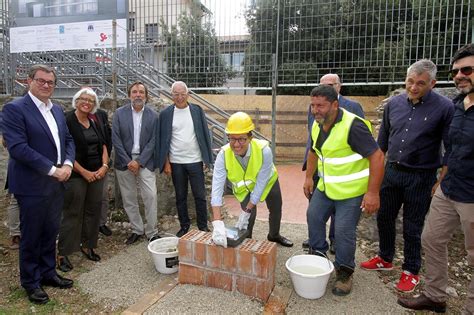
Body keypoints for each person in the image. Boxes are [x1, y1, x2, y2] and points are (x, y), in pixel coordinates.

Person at [360, 59, 454, 293]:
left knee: (413, 226)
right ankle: (385, 258)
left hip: (421, 177)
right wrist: (375, 178)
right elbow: (380, 146)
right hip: (392, 172)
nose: (413, 87)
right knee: (384, 217)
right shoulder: (394, 104)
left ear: (432, 83)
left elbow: (450, 148)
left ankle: (411, 271)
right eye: (409, 81)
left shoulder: (445, 108)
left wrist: (440, 181)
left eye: (420, 83)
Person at [398, 44, 474, 314]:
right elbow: (450, 148)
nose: (460, 75)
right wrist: (442, 178)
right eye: (456, 71)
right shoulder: (456, 105)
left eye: (468, 69)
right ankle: (435, 296)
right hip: (449, 187)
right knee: (430, 238)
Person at [2, 64, 75, 304]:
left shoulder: (56, 110)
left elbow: (68, 139)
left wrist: (67, 164)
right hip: (32, 185)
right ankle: (31, 282)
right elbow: (18, 148)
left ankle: (47, 272)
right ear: (29, 81)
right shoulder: (14, 109)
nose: (46, 85)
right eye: (41, 81)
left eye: (50, 82)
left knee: (50, 232)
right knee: (32, 235)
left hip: (56, 182)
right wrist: (54, 170)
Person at [304, 85, 384, 296]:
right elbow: (313, 150)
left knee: (343, 232)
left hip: (351, 191)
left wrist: (373, 193)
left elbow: (377, 157)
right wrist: (308, 178)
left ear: (335, 105)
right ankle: (319, 257)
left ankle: (344, 272)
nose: (315, 110)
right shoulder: (317, 123)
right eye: (313, 105)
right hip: (326, 186)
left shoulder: (353, 126)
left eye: (320, 105)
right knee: (313, 216)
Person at [302, 73, 365, 252]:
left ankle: (336, 241)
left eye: (331, 84)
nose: (316, 109)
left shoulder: (353, 108)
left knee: (341, 216)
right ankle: (317, 244)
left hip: (345, 176)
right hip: (321, 169)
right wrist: (309, 174)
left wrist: (372, 190)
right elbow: (314, 138)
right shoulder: (314, 108)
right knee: (315, 211)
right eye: (324, 84)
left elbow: (368, 147)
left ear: (339, 86)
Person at [211, 112, 293, 248]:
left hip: (268, 183)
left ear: (250, 137)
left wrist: (247, 209)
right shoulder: (223, 155)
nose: (236, 144)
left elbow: (261, 184)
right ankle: (246, 241)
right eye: (232, 139)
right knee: (248, 218)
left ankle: (274, 235)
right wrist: (217, 221)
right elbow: (217, 188)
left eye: (242, 139)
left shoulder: (264, 151)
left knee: (275, 208)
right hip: (245, 189)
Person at [57, 88, 109, 272]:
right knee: (72, 213)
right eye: (83, 99)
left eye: (91, 100)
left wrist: (104, 166)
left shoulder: (93, 120)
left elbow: (103, 144)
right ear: (76, 101)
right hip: (76, 174)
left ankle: (88, 245)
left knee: (93, 211)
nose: (87, 103)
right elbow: (65, 150)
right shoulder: (67, 120)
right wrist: (84, 172)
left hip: (97, 173)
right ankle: (63, 253)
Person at [156, 81, 213, 237]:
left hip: (195, 160)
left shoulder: (196, 110)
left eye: (182, 94)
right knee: (180, 196)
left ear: (188, 94)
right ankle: (184, 225)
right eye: (176, 94)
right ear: (171, 95)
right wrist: (166, 162)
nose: (179, 97)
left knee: (200, 195)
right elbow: (163, 140)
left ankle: (203, 226)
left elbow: (204, 135)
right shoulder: (166, 114)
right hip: (176, 162)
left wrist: (206, 159)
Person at [112, 81, 160, 245]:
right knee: (129, 198)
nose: (138, 95)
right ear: (129, 95)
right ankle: (137, 229)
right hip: (124, 161)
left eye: (141, 92)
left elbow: (154, 141)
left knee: (151, 196)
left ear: (146, 96)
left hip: (145, 161)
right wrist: (128, 161)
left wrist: (139, 161)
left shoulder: (154, 116)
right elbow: (116, 139)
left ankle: (152, 231)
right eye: (134, 92)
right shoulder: (119, 113)